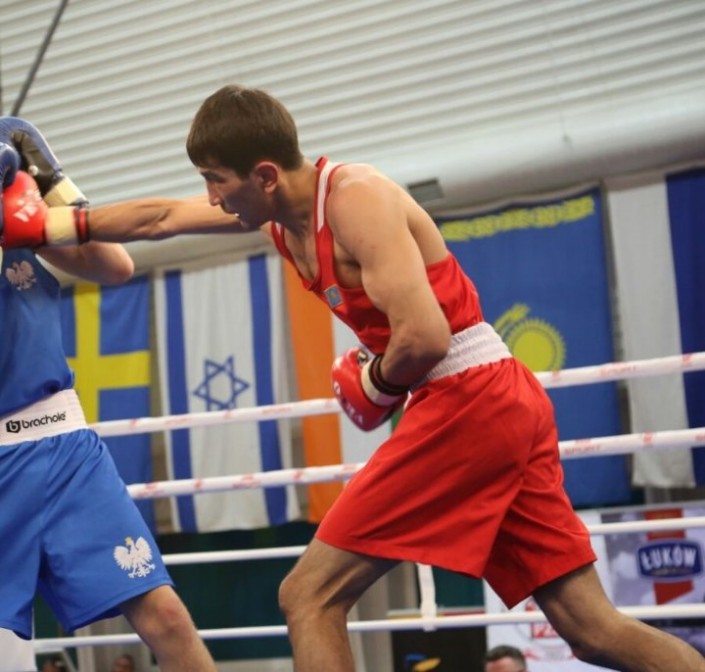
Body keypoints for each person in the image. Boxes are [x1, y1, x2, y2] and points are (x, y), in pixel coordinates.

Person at [5, 90, 705, 672]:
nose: (210, 196)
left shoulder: (355, 199)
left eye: (217, 180)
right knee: (588, 628)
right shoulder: (276, 215)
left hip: (469, 398)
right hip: (489, 402)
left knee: (308, 596)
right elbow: (157, 219)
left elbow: (425, 335)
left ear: (265, 175)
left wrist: (375, 382)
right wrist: (46, 222)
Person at [0, 120, 222, 671]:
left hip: (64, 447)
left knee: (166, 618)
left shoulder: (9, 172)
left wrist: (52, 187)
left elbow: (115, 266)